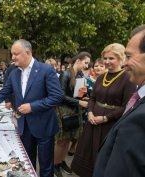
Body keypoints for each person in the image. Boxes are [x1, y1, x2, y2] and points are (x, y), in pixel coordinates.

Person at [0, 39, 64, 177]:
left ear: (27, 53)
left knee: (46, 166)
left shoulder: (46, 70)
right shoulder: (14, 73)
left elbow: (57, 97)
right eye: (12, 54)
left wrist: (32, 107)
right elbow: (3, 93)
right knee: (27, 163)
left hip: (44, 126)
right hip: (24, 126)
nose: (12, 57)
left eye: (16, 54)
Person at [71, 43, 136, 177]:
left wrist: (106, 118)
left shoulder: (128, 79)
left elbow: (126, 106)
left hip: (110, 125)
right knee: (87, 156)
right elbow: (92, 98)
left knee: (103, 159)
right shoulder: (101, 78)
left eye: (111, 58)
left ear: (121, 59)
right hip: (92, 122)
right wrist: (89, 113)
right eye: (105, 58)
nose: (106, 62)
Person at [92, 25, 145, 177]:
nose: (124, 64)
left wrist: (105, 117)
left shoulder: (140, 118)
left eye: (128, 56)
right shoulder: (102, 78)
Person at [54, 52, 90, 177]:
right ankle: (55, 164)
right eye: (85, 62)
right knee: (61, 140)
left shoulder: (80, 74)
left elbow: (78, 93)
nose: (87, 65)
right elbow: (60, 97)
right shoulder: (65, 74)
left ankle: (61, 161)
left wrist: (84, 97)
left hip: (75, 110)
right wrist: (79, 101)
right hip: (63, 111)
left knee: (68, 139)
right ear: (78, 61)